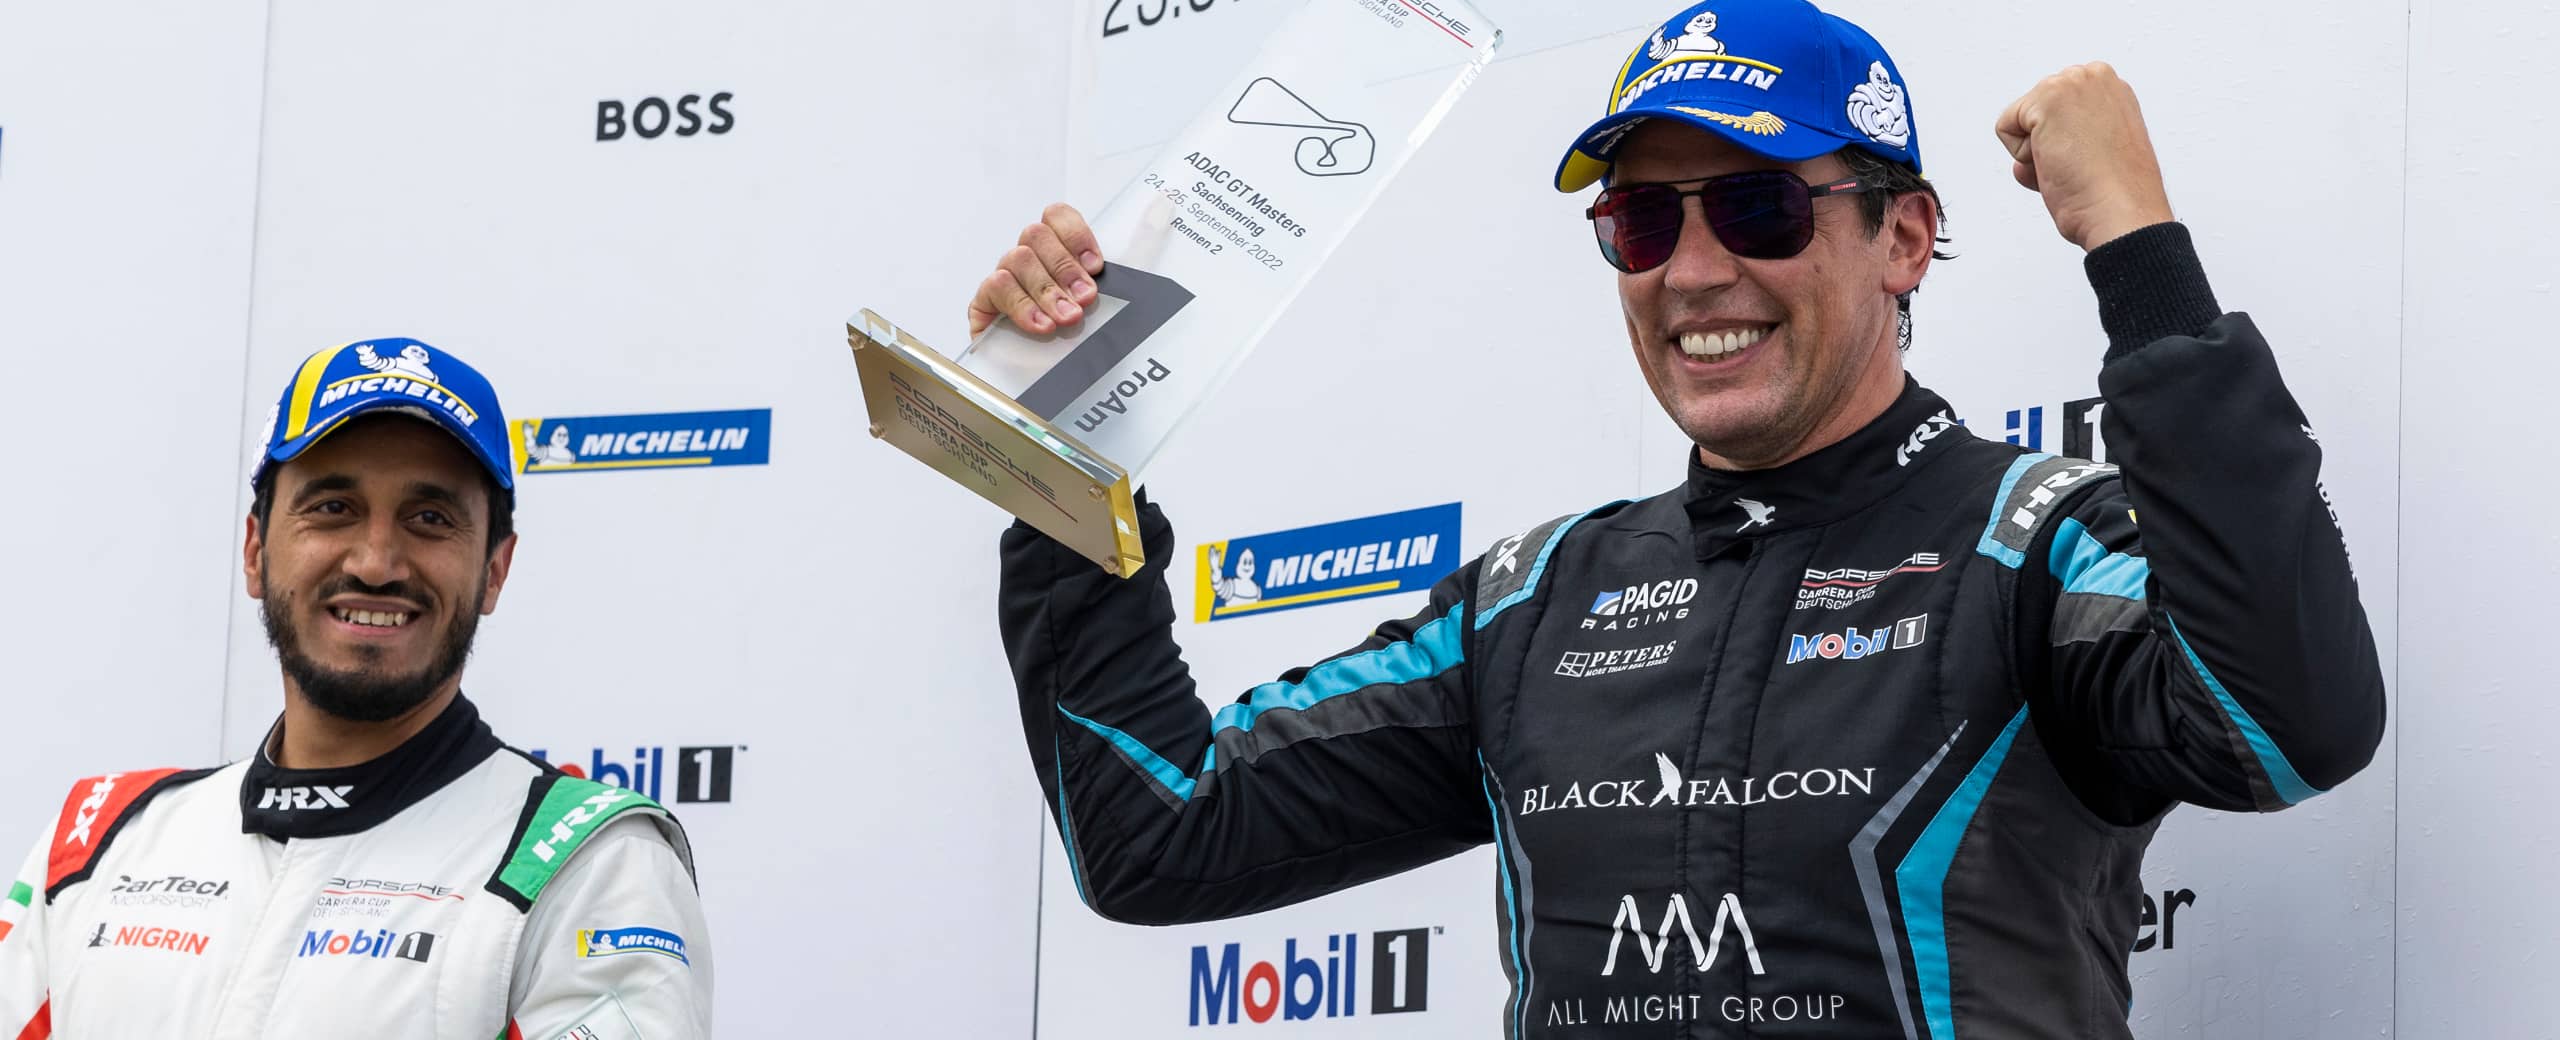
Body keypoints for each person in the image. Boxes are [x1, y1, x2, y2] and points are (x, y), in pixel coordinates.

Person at [978, 0, 2387, 1035]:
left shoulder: (2032, 540)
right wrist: (1062, 437)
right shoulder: (1533, 601)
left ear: (1902, 237)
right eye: (1643, 225)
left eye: (1761, 207)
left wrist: (2137, 252)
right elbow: (1159, 835)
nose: (1695, 271)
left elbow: (2287, 722)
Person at [0, 339, 713, 1038]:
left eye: (429, 519)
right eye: (333, 507)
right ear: (255, 550)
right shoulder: (101, 844)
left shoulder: (586, 867)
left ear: (494, 571)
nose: (376, 562)